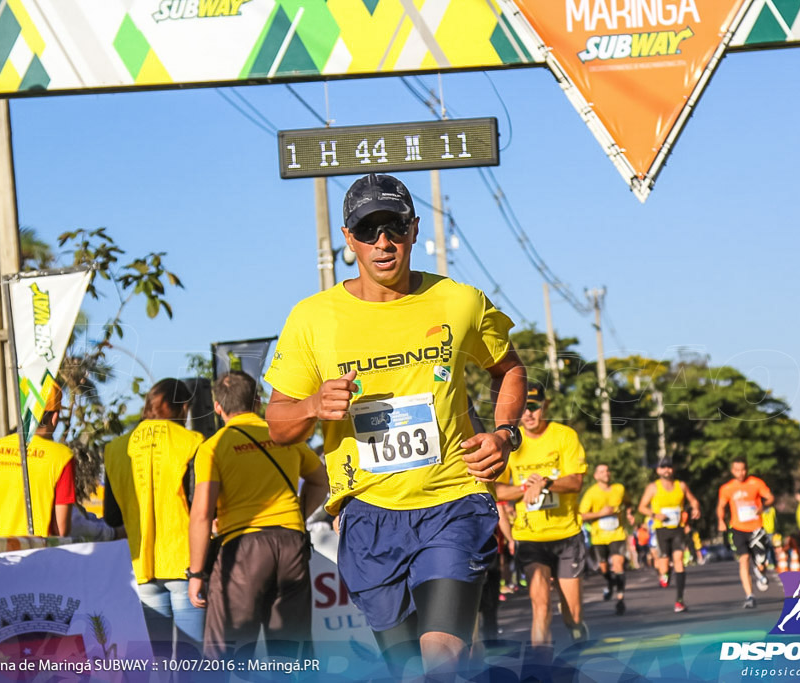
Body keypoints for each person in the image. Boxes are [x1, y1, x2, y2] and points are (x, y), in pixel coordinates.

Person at [263, 172, 526, 679]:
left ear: (414, 228)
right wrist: (314, 404)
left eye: (395, 228)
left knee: (441, 658)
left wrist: (504, 434)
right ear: (348, 239)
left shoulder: (458, 301)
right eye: (368, 231)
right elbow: (278, 424)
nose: (383, 244)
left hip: (452, 500)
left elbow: (509, 367)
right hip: (369, 514)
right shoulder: (313, 319)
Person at [187, 371, 329, 659]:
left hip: (242, 549)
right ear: (258, 401)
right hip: (291, 545)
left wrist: (196, 573)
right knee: (292, 656)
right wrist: (295, 517)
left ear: (218, 407)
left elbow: (202, 513)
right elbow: (320, 480)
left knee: (224, 655)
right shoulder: (284, 435)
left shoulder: (213, 447)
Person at [104, 379, 204, 656]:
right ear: (183, 407)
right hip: (187, 565)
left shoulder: (114, 449)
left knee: (158, 661)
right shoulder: (193, 442)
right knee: (191, 660)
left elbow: (112, 517)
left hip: (141, 568)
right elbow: (200, 505)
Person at [495, 381, 589, 653]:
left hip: (566, 535)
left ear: (545, 405)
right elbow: (498, 488)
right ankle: (541, 669)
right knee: (541, 607)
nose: (528, 414)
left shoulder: (564, 436)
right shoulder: (511, 441)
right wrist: (525, 488)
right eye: (523, 408)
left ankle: (577, 634)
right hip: (530, 536)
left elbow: (575, 482)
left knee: (573, 615)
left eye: (534, 407)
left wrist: (546, 483)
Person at [0, 387, 74, 537]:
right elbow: (61, 530)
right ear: (55, 417)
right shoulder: (61, 456)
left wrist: (0, 518)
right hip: (35, 554)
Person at [637, 457, 699, 613]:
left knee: (679, 560)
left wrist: (696, 508)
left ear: (673, 469)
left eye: (669, 467)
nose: (667, 470)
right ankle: (665, 573)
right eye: (663, 467)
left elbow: (693, 500)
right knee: (664, 564)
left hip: (677, 528)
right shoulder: (653, 488)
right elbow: (642, 507)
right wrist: (655, 515)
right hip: (661, 530)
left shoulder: (681, 486)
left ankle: (679, 600)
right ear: (658, 470)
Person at [717, 457, 775, 609]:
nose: (740, 473)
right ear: (732, 471)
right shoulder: (727, 488)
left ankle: (759, 569)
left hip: (756, 528)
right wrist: (721, 521)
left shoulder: (756, 483)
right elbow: (721, 506)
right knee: (744, 559)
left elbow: (770, 497)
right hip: (737, 528)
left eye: (743, 469)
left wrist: (763, 506)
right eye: (737, 470)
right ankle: (750, 595)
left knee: (761, 563)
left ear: (747, 469)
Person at [579, 463, 633, 615]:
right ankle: (610, 584)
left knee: (619, 565)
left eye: (608, 470)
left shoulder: (619, 489)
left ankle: (620, 600)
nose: (606, 473)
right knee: (604, 568)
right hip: (599, 537)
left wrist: (629, 513)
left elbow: (629, 503)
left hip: (617, 534)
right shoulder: (591, 493)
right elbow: (581, 515)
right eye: (602, 471)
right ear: (596, 476)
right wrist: (600, 513)